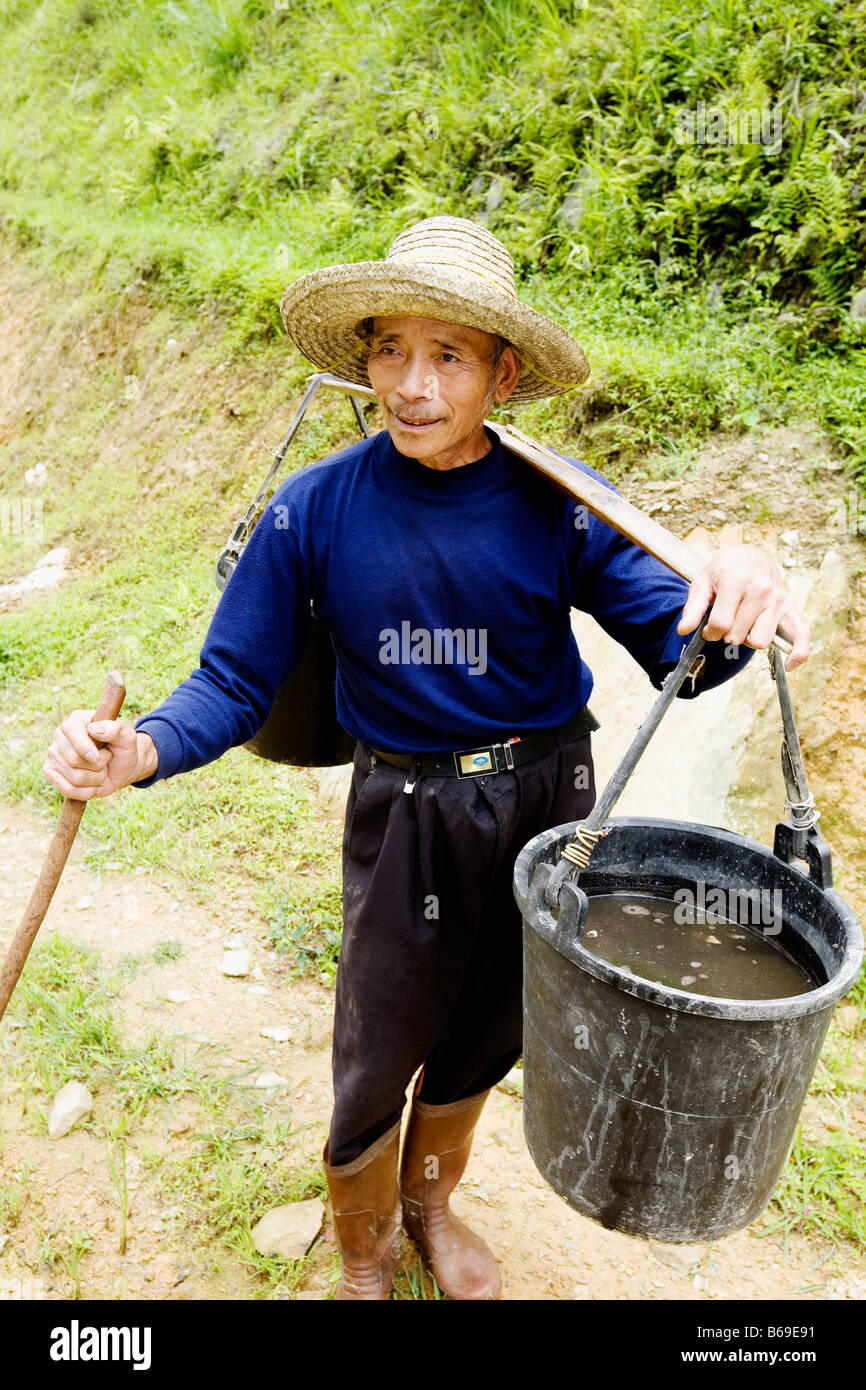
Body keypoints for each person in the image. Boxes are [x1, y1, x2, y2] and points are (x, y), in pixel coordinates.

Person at [44, 217, 810, 1301]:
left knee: (489, 1022)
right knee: (379, 1034)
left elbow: (686, 646)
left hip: (548, 795)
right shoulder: (312, 510)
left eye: (446, 355)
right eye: (390, 349)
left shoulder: (559, 500)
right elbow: (232, 681)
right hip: (405, 810)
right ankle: (364, 1243)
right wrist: (141, 749)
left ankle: (430, 1203)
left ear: (500, 372)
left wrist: (740, 578)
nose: (411, 383)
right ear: (364, 358)